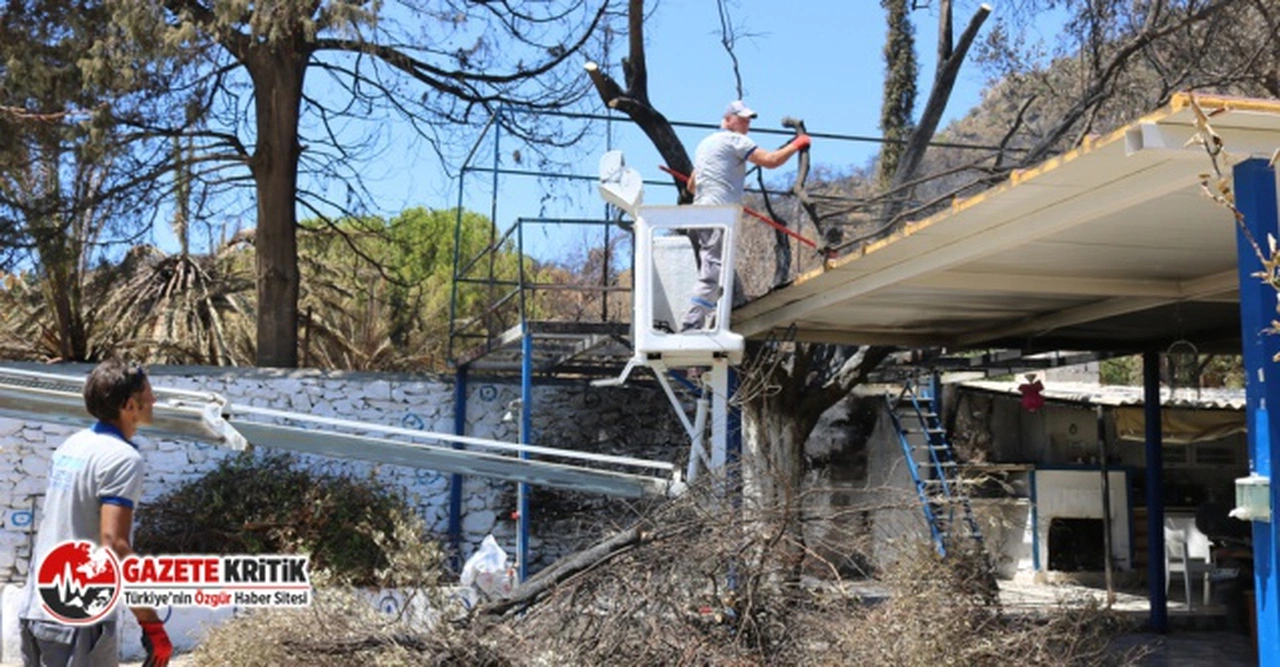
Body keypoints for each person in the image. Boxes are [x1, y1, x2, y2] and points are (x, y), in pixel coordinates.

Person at [20, 359, 173, 667]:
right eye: (149, 392)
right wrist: (152, 624)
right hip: (77, 617)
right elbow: (114, 546)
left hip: (35, 610)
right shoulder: (122, 459)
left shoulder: (71, 447)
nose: (154, 400)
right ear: (130, 405)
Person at [681, 100, 811, 331]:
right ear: (727, 120)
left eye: (748, 120)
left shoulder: (705, 145)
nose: (746, 124)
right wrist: (796, 145)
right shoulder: (735, 140)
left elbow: (692, 186)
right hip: (717, 216)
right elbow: (771, 161)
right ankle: (691, 325)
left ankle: (709, 320)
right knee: (712, 274)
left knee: (715, 272)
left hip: (699, 215)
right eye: (741, 119)